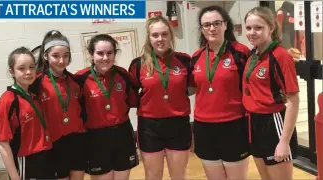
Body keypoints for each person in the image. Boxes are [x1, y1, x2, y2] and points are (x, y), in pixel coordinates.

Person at [189, 5, 251, 180]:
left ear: (226, 25)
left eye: (216, 23)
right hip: (204, 127)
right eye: (206, 25)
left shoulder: (241, 53)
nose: (212, 28)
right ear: (201, 29)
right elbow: (191, 88)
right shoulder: (196, 56)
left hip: (234, 125)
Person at [128, 15, 192, 180]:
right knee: (153, 175)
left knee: (178, 175)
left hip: (178, 124)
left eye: (164, 34)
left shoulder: (185, 60)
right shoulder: (138, 64)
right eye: (155, 35)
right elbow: (132, 95)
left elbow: (191, 88)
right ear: (149, 38)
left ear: (171, 35)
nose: (160, 39)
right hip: (149, 127)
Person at [243, 7, 299, 180]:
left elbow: (293, 100)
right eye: (249, 28)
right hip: (254, 121)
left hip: (274, 123)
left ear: (271, 28)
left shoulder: (281, 56)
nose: (252, 32)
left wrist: (284, 141)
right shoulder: (253, 53)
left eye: (258, 28)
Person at [74, 34, 139, 180]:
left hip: (122, 134)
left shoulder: (123, 75)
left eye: (110, 53)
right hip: (95, 138)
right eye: (100, 53)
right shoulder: (79, 79)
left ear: (115, 54)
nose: (105, 58)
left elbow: (133, 100)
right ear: (91, 55)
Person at [30, 30, 86, 180]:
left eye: (66, 55)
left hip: (77, 141)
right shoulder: (36, 83)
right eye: (55, 56)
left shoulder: (75, 82)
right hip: (54, 145)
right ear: (45, 56)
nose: (61, 60)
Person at [0, 47, 55, 179]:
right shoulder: (7, 101)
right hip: (26, 161)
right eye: (22, 68)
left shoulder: (34, 96)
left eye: (32, 67)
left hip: (46, 157)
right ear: (12, 71)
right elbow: (3, 145)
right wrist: (15, 177)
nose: (28, 72)